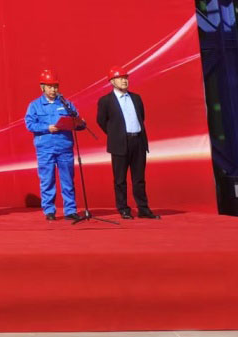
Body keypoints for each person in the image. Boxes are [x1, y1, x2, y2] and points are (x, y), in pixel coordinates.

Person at [96, 66, 159, 219]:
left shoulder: (136, 98)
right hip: (119, 143)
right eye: (120, 78)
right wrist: (115, 134)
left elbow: (141, 117)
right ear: (112, 81)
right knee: (120, 180)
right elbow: (101, 121)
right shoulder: (106, 101)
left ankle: (143, 208)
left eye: (125, 78)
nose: (124, 81)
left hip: (138, 141)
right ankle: (123, 208)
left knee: (139, 179)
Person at [23, 69, 86, 222]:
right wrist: (47, 128)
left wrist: (80, 123)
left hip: (65, 147)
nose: (53, 90)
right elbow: (29, 124)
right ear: (42, 87)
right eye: (50, 86)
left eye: (55, 86)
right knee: (47, 180)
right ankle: (49, 210)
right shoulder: (35, 105)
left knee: (68, 180)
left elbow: (77, 121)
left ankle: (70, 210)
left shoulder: (66, 104)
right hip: (45, 148)